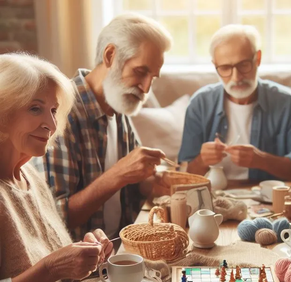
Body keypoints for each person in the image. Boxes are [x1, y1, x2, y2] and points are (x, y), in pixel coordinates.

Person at [32, 13, 173, 241]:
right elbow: (55, 218)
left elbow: (133, 182)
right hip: (82, 267)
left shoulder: (118, 103)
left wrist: (152, 182)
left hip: (122, 249)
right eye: (140, 71)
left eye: (153, 77)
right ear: (110, 55)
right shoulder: (60, 113)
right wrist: (118, 175)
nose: (146, 88)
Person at [0, 53, 113, 282]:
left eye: (53, 110)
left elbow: (47, 255)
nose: (51, 125)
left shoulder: (30, 176)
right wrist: (52, 269)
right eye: (35, 108)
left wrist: (83, 252)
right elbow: (47, 268)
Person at [178, 24, 291, 181]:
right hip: (211, 197)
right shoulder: (200, 104)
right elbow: (183, 174)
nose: (236, 77)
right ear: (214, 65)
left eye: (243, 65)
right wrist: (202, 160)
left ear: (258, 59)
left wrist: (262, 160)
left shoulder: (285, 104)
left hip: (264, 198)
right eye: (225, 68)